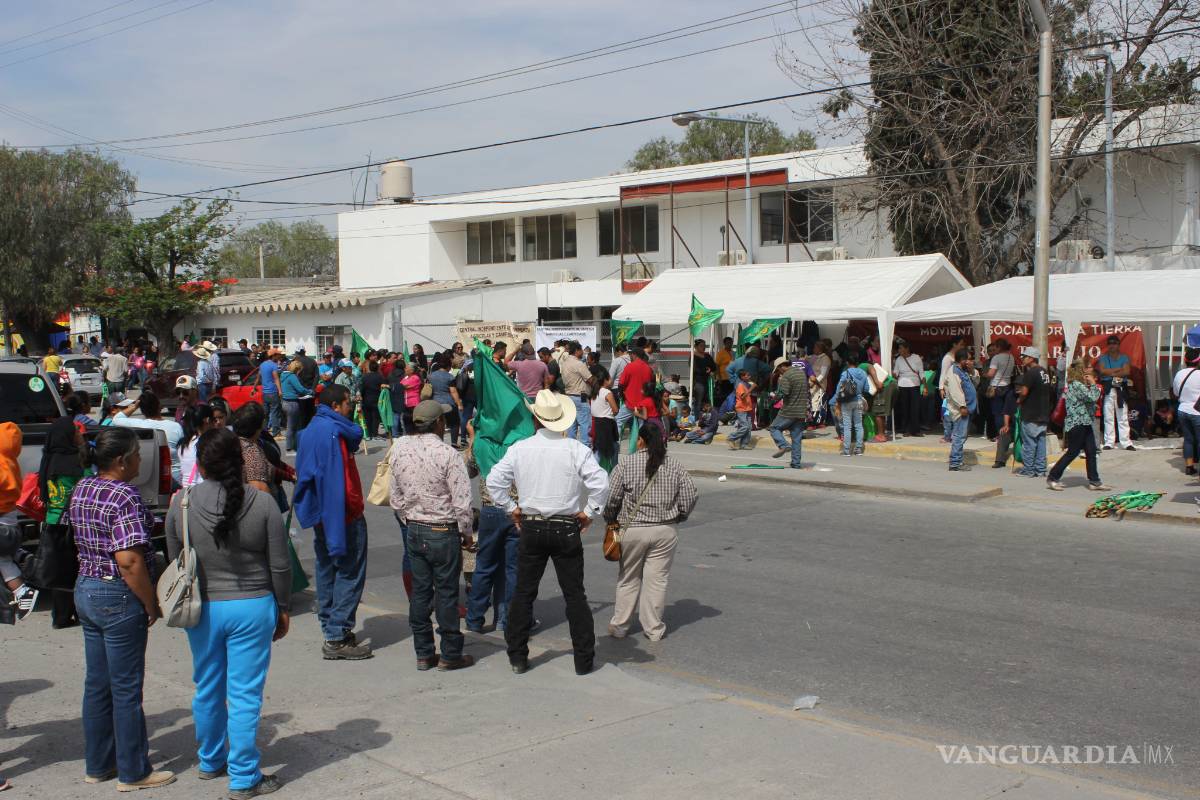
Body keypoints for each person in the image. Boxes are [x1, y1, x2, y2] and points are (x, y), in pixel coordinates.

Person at [165, 428, 289, 799]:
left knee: (207, 686)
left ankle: (210, 760)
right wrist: (282, 607)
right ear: (239, 461)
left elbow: (175, 558)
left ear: (200, 464)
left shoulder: (181, 503)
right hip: (253, 607)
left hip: (202, 606)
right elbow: (280, 565)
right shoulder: (262, 502)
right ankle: (243, 776)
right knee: (245, 694)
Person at [69, 428, 176, 792]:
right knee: (126, 688)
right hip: (117, 593)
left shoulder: (84, 488)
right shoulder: (124, 496)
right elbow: (129, 561)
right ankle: (133, 771)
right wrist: (151, 602)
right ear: (121, 461)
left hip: (86, 588)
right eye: (135, 455)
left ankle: (99, 764)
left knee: (97, 684)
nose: (140, 460)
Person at [486, 389, 609, 676]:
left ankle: (517, 656)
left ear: (536, 420)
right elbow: (600, 483)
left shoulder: (520, 448)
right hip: (566, 526)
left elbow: (494, 482)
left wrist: (510, 507)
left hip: (532, 524)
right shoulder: (576, 449)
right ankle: (583, 659)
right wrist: (589, 512)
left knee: (524, 593)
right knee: (575, 595)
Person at [388, 400, 476, 671]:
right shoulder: (448, 454)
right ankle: (450, 653)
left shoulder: (399, 448)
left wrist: (410, 519)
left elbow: (395, 496)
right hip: (442, 529)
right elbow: (462, 500)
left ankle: (424, 652)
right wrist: (466, 533)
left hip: (415, 528)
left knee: (421, 593)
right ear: (438, 423)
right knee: (447, 594)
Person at [294, 385, 371, 660]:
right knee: (349, 572)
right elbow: (339, 483)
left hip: (324, 515)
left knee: (327, 569)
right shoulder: (332, 433)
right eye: (348, 403)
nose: (350, 407)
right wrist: (348, 514)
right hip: (340, 514)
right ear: (337, 406)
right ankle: (337, 635)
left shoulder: (313, 429)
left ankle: (330, 627)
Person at [605, 423, 698, 641]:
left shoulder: (626, 464)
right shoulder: (675, 465)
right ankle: (654, 629)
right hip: (665, 530)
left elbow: (611, 500)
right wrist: (679, 516)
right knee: (657, 581)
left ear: (640, 441)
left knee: (628, 578)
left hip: (631, 529)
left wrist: (611, 521)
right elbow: (689, 497)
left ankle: (620, 626)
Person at [1046, 362, 1111, 491]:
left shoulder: (1076, 385)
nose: (1087, 373)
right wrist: (1093, 383)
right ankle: (1053, 477)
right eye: (1085, 371)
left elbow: (1085, 402)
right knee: (1072, 452)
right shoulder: (1077, 385)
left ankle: (1094, 481)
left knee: (1091, 451)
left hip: (1085, 422)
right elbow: (1093, 397)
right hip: (1077, 424)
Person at [0, 423, 37, 622]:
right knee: (4, 559)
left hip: (3, 528)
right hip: (10, 525)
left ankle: (23, 591)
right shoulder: (10, 463)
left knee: (3, 561)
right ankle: (21, 555)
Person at [113, 391, 183, 486]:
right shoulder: (175, 426)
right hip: (174, 475)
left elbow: (116, 419)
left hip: (147, 475)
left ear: (142, 410)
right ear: (160, 406)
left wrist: (134, 407)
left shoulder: (139, 425)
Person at [1016, 346, 1051, 478]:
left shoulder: (1031, 373)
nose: (1023, 359)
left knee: (1029, 443)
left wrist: (1019, 399)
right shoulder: (1044, 372)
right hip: (1043, 412)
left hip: (1031, 412)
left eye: (1024, 357)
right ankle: (1040, 469)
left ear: (1031, 358)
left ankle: (1028, 470)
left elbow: (1024, 391)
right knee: (1041, 442)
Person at [769, 357, 810, 469]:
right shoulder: (801, 373)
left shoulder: (786, 376)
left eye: (778, 370)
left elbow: (783, 393)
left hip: (789, 411)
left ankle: (784, 445)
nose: (778, 372)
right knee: (796, 438)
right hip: (801, 411)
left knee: (774, 428)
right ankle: (796, 463)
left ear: (782, 366)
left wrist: (773, 399)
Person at [1096, 335, 1135, 451]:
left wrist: (1110, 373)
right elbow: (1102, 371)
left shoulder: (1124, 358)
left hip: (1120, 388)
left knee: (1122, 415)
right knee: (1108, 415)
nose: (1112, 346)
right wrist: (1118, 371)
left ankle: (1126, 442)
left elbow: (1127, 371)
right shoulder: (1103, 358)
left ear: (1118, 345)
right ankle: (1109, 442)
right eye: (1110, 343)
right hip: (1108, 388)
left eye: (1114, 343)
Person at [942, 348, 979, 472]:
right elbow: (955, 391)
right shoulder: (954, 372)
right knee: (959, 436)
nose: (970, 361)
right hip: (960, 410)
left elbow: (976, 382)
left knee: (962, 436)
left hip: (968, 408)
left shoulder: (964, 371)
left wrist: (972, 370)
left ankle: (957, 460)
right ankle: (955, 463)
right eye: (968, 359)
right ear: (962, 360)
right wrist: (962, 406)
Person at [1171, 344, 1200, 476]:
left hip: (1182, 410)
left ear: (1185, 360)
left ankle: (1189, 466)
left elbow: (1176, 393)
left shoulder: (1179, 374)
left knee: (1188, 439)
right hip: (1197, 411)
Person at [559, 341, 594, 446]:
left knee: (571, 425)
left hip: (569, 396)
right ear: (577, 351)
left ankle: (571, 448)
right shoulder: (579, 364)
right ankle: (585, 447)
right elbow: (590, 379)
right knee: (585, 424)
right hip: (580, 396)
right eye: (581, 350)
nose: (582, 352)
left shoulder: (564, 363)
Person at [834, 363, 870, 456]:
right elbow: (867, 388)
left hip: (847, 401)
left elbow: (839, 388)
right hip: (858, 401)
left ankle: (846, 450)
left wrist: (837, 400)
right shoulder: (863, 373)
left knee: (847, 426)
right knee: (858, 425)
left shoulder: (845, 373)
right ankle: (858, 449)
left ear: (848, 363)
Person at [178, 404, 218, 488]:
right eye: (214, 420)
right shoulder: (205, 443)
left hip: (185, 490)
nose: (216, 423)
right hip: (200, 490)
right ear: (207, 420)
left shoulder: (184, 443)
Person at [893, 341, 925, 438]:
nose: (899, 350)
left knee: (915, 408)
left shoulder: (916, 358)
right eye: (899, 348)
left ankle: (915, 430)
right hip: (902, 385)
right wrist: (893, 373)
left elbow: (921, 373)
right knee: (905, 408)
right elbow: (896, 372)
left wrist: (925, 387)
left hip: (914, 385)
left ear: (907, 349)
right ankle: (906, 429)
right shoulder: (898, 359)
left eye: (901, 348)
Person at [591, 367, 619, 471]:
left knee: (599, 448)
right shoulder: (607, 393)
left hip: (597, 423)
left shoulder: (595, 392)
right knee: (612, 448)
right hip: (607, 424)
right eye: (609, 379)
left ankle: (593, 470)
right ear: (605, 380)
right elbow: (615, 410)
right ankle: (615, 470)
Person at [280, 359, 310, 454]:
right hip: (292, 403)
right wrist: (310, 391)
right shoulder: (292, 376)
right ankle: (291, 448)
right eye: (300, 370)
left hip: (284, 402)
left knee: (290, 425)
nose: (300, 372)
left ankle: (293, 446)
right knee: (292, 427)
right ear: (297, 369)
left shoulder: (283, 375)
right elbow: (300, 389)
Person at [728, 369, 756, 450]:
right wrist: (751, 388)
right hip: (741, 409)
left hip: (747, 408)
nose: (749, 376)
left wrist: (751, 385)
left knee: (749, 427)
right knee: (745, 426)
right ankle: (731, 437)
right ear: (742, 377)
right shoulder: (740, 385)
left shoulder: (746, 384)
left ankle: (744, 444)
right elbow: (743, 397)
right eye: (747, 375)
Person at [257, 352, 283, 440]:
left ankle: (264, 431)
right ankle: (276, 433)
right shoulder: (273, 365)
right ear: (273, 356)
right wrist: (280, 390)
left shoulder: (262, 365)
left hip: (265, 393)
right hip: (273, 392)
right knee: (275, 412)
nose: (279, 357)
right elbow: (276, 378)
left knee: (266, 414)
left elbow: (258, 377)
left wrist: (254, 387)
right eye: (277, 355)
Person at [359, 360, 386, 440]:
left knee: (368, 417)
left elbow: (362, 389)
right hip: (377, 399)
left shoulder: (365, 377)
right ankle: (374, 434)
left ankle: (369, 434)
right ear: (377, 368)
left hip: (366, 399)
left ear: (370, 368)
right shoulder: (380, 377)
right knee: (376, 418)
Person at [691, 339, 717, 411]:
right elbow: (695, 369)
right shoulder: (693, 357)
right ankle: (697, 418)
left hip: (707, 381)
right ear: (696, 347)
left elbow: (714, 366)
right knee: (699, 401)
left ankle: (706, 417)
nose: (703, 347)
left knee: (707, 401)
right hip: (698, 382)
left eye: (704, 346)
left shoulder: (707, 356)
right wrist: (706, 371)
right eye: (701, 346)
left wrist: (710, 370)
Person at [713, 337, 735, 408]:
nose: (730, 344)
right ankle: (722, 409)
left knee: (731, 395)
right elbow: (717, 365)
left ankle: (729, 409)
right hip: (723, 378)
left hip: (731, 378)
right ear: (724, 344)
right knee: (723, 396)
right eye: (728, 343)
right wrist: (719, 377)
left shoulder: (733, 353)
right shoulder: (721, 353)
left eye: (731, 343)